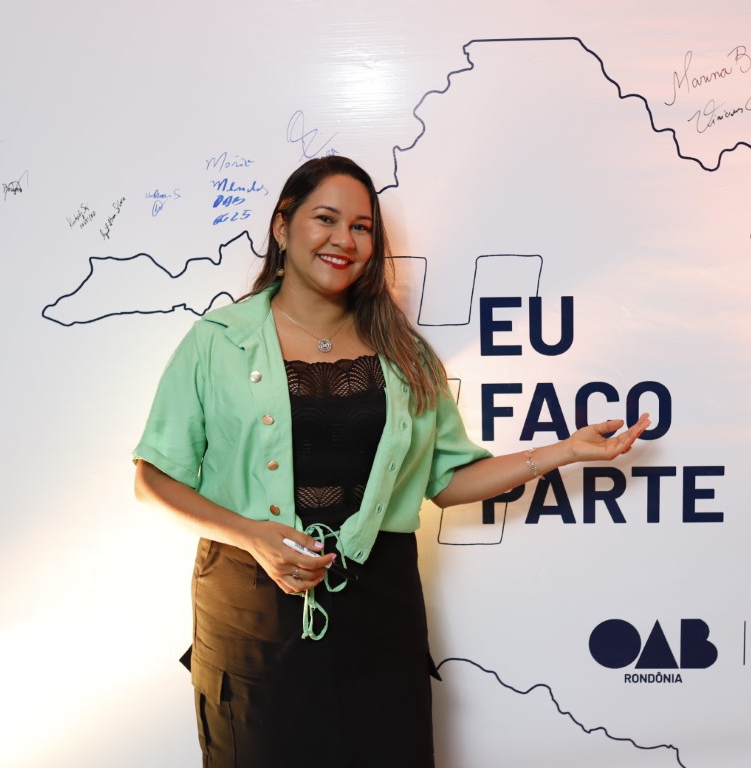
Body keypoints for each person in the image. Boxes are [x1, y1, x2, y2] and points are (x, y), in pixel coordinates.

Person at [133, 155, 651, 767]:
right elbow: (153, 479)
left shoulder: (405, 354)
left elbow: (447, 479)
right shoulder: (216, 341)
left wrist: (564, 451)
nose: (344, 240)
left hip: (379, 615)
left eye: (362, 227)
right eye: (326, 219)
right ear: (282, 226)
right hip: (251, 616)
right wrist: (253, 536)